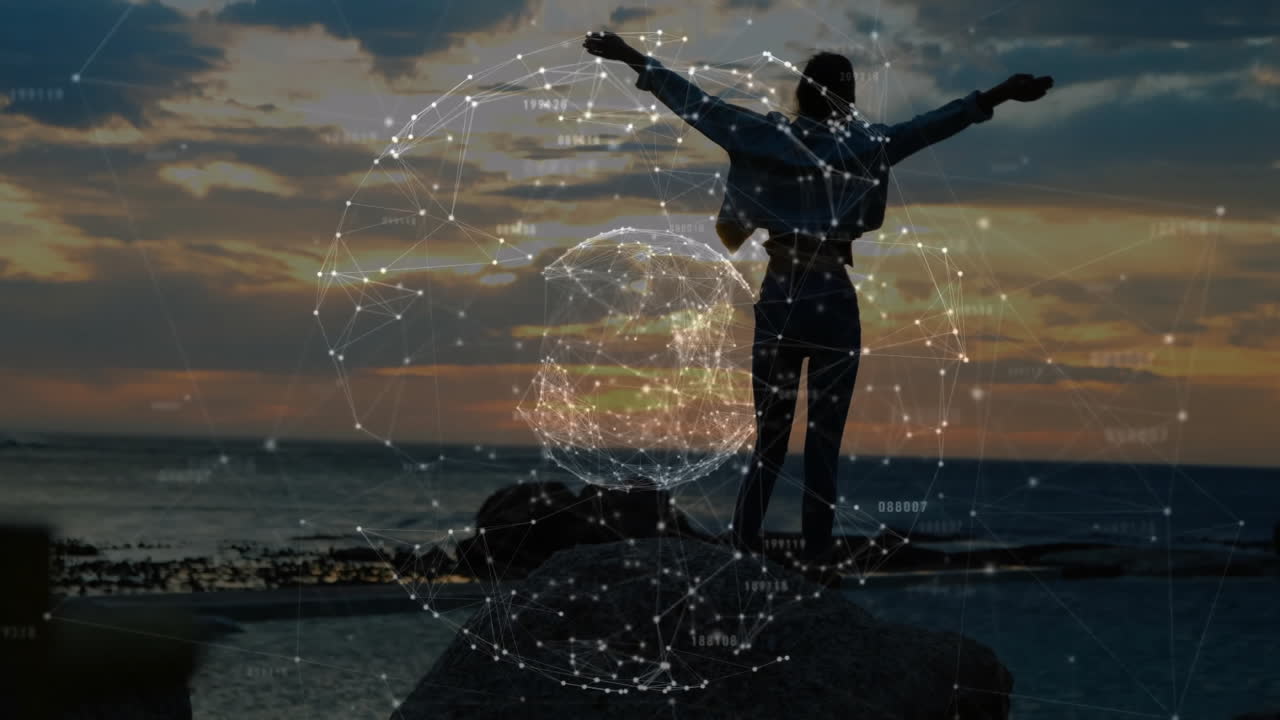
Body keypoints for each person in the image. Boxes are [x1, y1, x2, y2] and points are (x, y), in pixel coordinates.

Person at [583, 31, 1052, 586]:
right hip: (832, 296)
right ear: (847, 99)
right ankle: (820, 564)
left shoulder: (766, 134)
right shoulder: (868, 143)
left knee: (770, 443)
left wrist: (632, 56)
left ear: (802, 93)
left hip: (782, 295)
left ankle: (745, 553)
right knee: (823, 445)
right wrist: (999, 92)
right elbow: (934, 124)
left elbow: (696, 105)